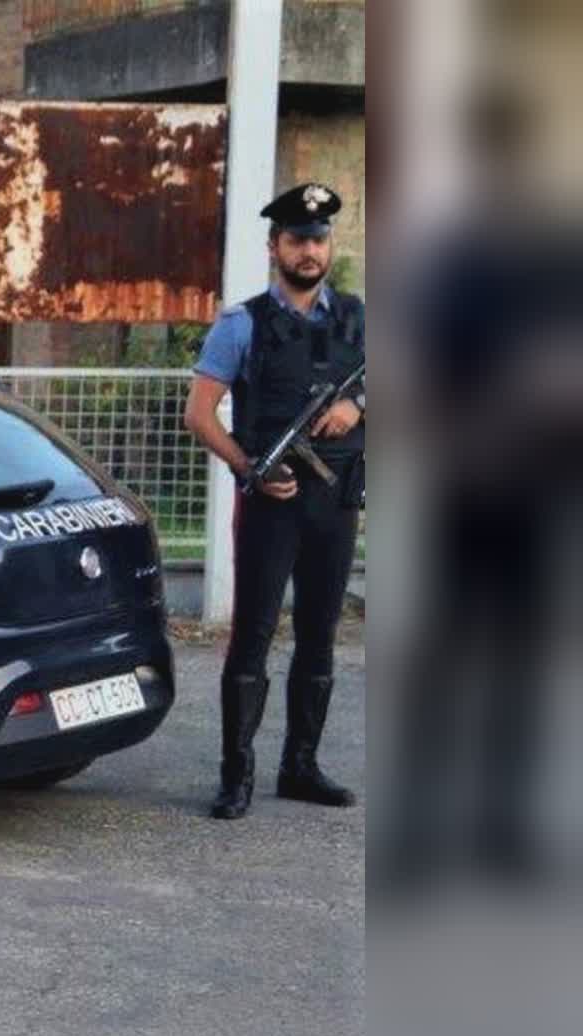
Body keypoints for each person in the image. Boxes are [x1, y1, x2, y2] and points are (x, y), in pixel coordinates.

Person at [185, 183, 366, 821]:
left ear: (328, 246)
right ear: (275, 246)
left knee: (319, 636)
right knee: (253, 639)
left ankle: (300, 767)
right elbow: (200, 414)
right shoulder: (242, 324)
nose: (309, 250)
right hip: (270, 504)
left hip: (336, 503)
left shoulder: (360, 320)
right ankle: (238, 777)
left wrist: (356, 404)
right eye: (297, 239)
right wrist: (246, 469)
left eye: (318, 239)